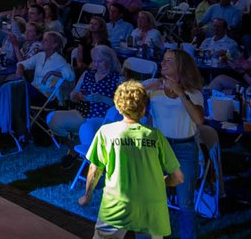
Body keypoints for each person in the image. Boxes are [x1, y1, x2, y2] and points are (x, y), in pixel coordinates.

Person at [79, 80, 183, 239]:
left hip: (117, 204)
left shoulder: (106, 132)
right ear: (144, 109)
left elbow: (95, 169)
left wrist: (87, 197)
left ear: (118, 106)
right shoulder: (155, 135)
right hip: (152, 208)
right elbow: (178, 178)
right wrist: (160, 181)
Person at [144, 49, 205, 239]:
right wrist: (143, 88)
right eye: (163, 60)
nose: (163, 63)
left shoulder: (193, 93)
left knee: (185, 201)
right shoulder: (153, 88)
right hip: (159, 147)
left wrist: (180, 93)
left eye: (169, 60)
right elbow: (123, 97)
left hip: (185, 149)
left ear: (180, 66)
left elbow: (199, 119)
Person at [47, 44, 122, 138]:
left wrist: (102, 99)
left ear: (109, 61)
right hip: (82, 111)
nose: (96, 64)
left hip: (102, 115)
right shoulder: (88, 74)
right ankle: (72, 144)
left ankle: (76, 144)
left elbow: (121, 106)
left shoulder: (117, 79)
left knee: (56, 121)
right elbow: (72, 95)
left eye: (100, 61)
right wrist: (76, 96)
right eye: (94, 61)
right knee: (51, 117)